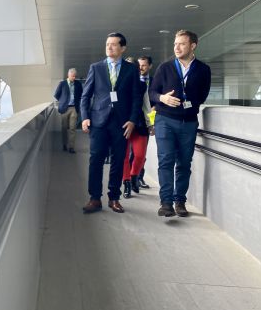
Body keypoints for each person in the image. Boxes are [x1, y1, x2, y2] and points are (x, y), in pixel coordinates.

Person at [149, 30, 211, 217]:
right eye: (175, 44)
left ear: (193, 46)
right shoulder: (165, 67)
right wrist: (162, 98)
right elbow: (152, 93)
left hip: (188, 122)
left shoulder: (203, 69)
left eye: (181, 44)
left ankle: (180, 202)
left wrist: (188, 105)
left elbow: (202, 95)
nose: (176, 47)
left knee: (184, 163)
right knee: (166, 160)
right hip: (165, 120)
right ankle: (166, 202)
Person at [80, 32, 142, 213]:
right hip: (98, 121)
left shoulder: (131, 69)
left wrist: (132, 120)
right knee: (96, 160)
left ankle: (114, 198)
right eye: (107, 44)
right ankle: (94, 198)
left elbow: (136, 97)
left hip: (122, 123)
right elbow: (86, 95)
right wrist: (85, 117)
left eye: (114, 44)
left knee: (118, 160)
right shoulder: (96, 67)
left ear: (123, 48)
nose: (109, 47)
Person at [123, 56, 154, 198]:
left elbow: (147, 107)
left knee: (140, 155)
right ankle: (127, 183)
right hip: (122, 124)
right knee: (123, 157)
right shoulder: (117, 86)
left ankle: (134, 175)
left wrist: (150, 124)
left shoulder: (142, 86)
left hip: (140, 124)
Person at [54, 68, 83, 153]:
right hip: (64, 108)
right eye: (72, 76)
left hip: (74, 108)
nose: (73, 77)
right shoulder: (62, 84)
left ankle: (71, 147)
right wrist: (63, 100)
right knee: (64, 127)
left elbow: (81, 94)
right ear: (68, 75)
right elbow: (56, 95)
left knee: (72, 128)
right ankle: (64, 144)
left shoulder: (78, 84)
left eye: (74, 76)